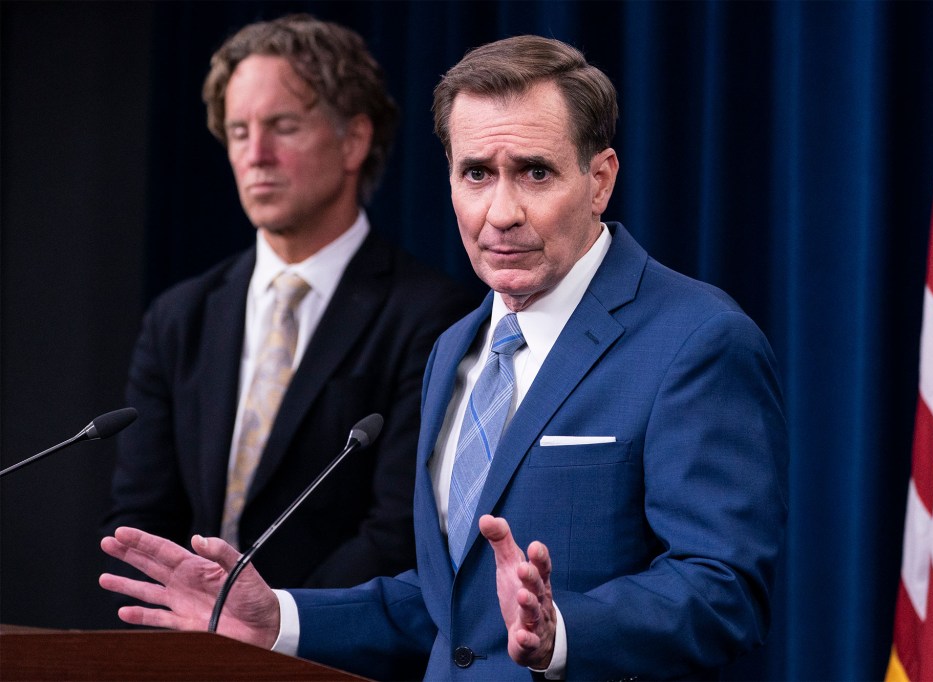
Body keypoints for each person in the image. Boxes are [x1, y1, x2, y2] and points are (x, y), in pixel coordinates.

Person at [101, 35, 788, 680]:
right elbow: (445, 608)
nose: (501, 211)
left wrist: (565, 631)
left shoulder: (696, 340)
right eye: (477, 174)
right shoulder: (455, 348)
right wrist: (278, 616)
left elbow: (722, 590)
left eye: (535, 173)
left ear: (599, 179)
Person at [101, 15, 474, 590]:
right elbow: (141, 517)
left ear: (354, 139)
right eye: (239, 131)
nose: (256, 155)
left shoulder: (431, 316)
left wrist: (274, 629)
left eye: (282, 126)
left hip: (325, 658)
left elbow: (398, 531)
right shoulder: (179, 318)